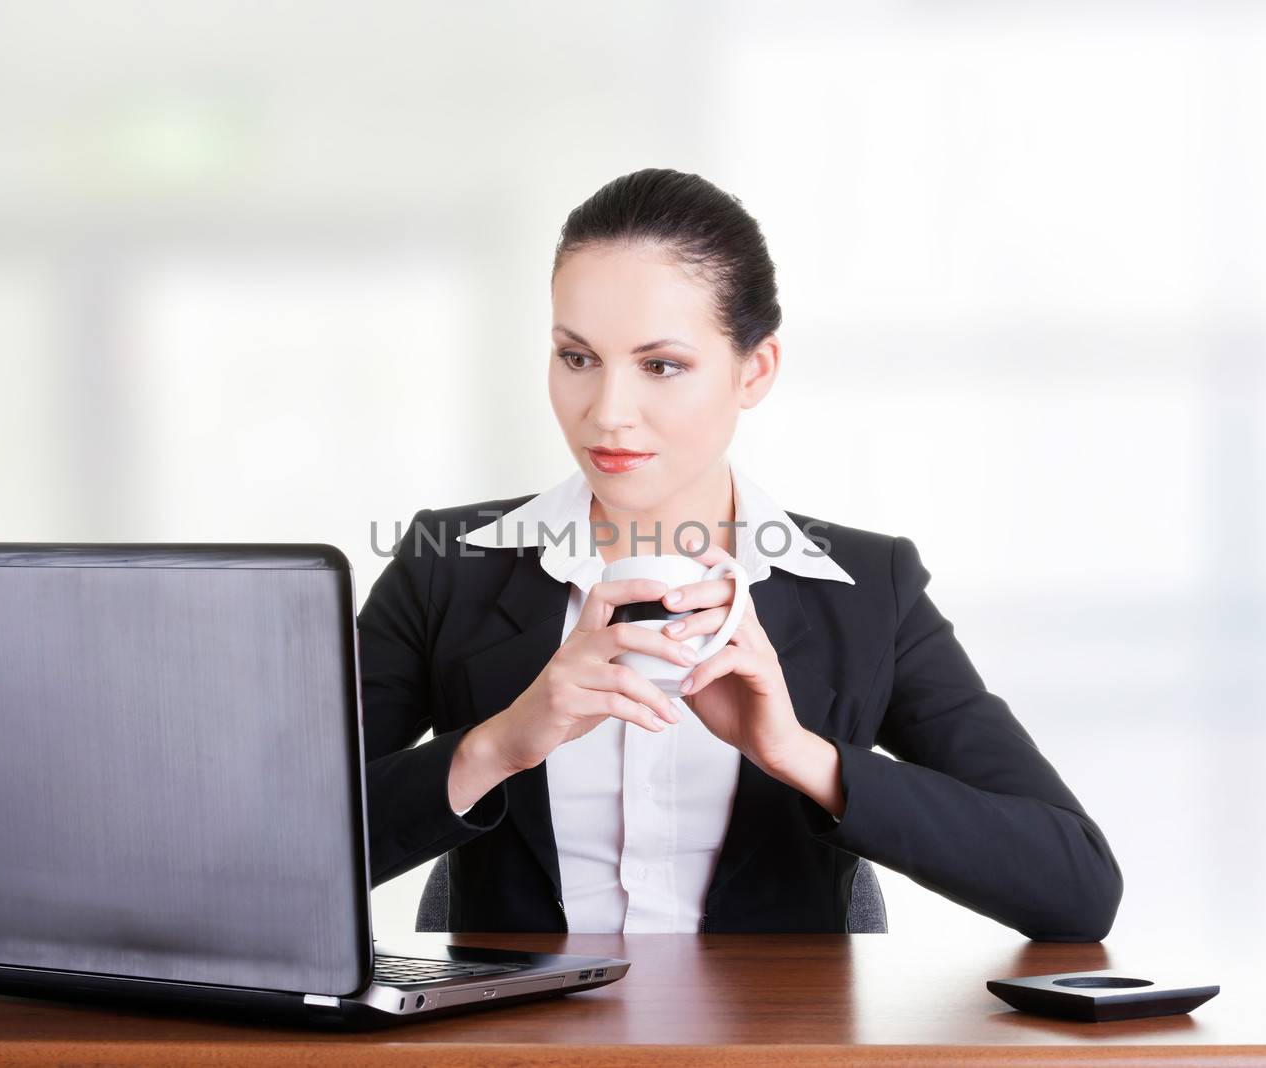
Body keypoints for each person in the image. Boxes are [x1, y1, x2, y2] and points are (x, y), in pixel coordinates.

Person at [357, 168, 1123, 939]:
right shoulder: (445, 568)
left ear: (753, 371)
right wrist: (496, 746)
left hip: (769, 1054)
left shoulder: (863, 591)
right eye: (578, 357)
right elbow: (264, 859)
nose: (608, 413)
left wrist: (798, 754)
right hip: (512, 1056)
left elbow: (1075, 887)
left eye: (661, 365)